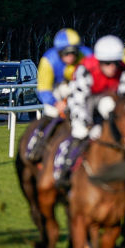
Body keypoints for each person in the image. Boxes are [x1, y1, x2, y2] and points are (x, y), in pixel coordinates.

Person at [54, 35, 125, 188]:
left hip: (108, 101)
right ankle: (64, 167)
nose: (112, 67)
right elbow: (78, 102)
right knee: (80, 132)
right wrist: (88, 125)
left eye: (115, 63)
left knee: (113, 112)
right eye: (107, 63)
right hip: (84, 101)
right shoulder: (85, 70)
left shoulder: (124, 70)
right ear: (99, 61)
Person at [26, 29, 92, 161]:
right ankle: (38, 142)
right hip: (56, 89)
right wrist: (55, 103)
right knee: (52, 112)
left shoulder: (87, 55)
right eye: (66, 53)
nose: (70, 57)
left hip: (80, 86)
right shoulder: (48, 60)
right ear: (59, 52)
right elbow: (43, 89)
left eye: (73, 52)